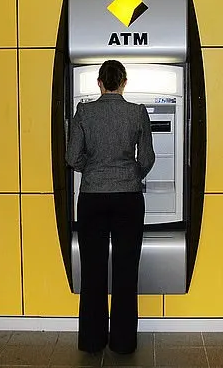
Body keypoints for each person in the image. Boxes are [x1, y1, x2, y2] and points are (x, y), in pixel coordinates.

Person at [66, 60, 155, 354]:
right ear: (124, 82)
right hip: (128, 198)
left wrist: (92, 170)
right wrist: (131, 174)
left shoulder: (84, 112)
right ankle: (123, 342)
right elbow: (147, 158)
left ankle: (92, 342)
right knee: (126, 270)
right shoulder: (137, 112)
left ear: (99, 83)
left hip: (91, 197)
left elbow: (72, 157)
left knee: (92, 270)